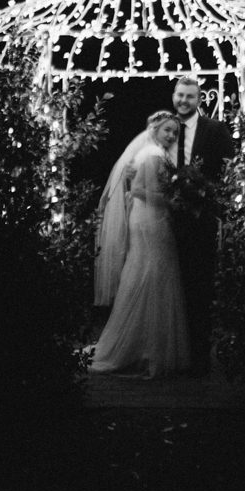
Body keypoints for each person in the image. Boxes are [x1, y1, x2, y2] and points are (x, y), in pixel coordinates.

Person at [91, 111, 190, 379]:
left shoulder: (147, 153)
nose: (171, 135)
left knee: (147, 273)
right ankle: (150, 351)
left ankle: (143, 346)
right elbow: (143, 192)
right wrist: (177, 201)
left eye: (175, 132)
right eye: (167, 130)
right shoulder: (154, 155)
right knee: (155, 275)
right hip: (151, 220)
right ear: (155, 129)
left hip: (144, 217)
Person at [169, 75, 233, 377]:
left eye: (190, 96)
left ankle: (198, 356)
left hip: (200, 221)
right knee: (169, 288)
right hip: (165, 221)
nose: (183, 101)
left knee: (199, 288)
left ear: (199, 100)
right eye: (180, 95)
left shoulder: (215, 129)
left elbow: (227, 170)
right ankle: (170, 352)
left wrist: (207, 196)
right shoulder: (163, 129)